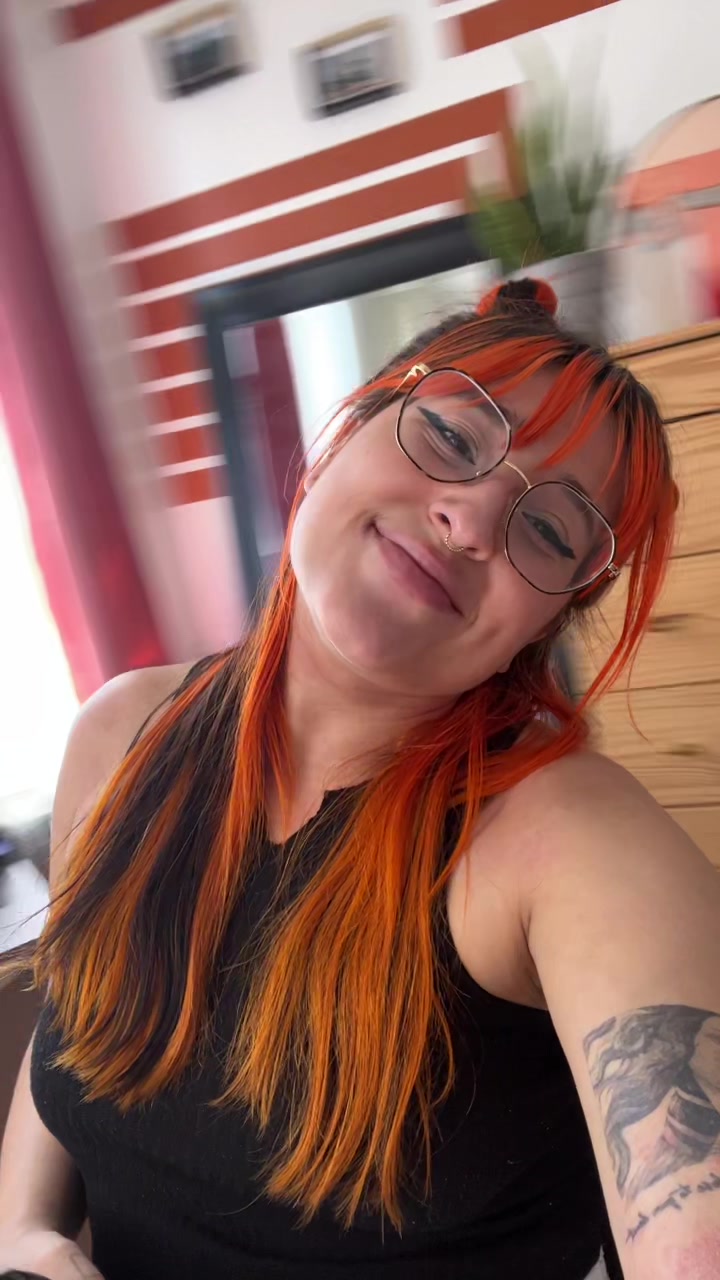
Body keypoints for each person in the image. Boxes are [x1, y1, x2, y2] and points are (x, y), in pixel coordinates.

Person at [1, 278, 719, 1280]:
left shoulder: (572, 843)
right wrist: (27, 1235)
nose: (471, 520)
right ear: (348, 427)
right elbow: (73, 1031)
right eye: (455, 437)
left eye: (552, 532)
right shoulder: (121, 732)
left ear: (543, 623)